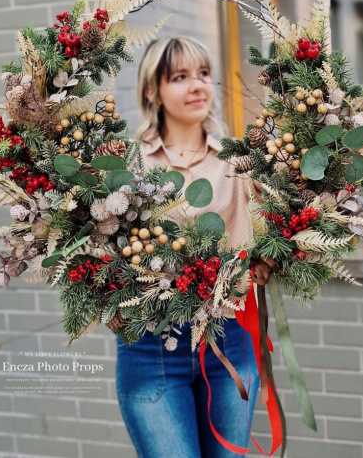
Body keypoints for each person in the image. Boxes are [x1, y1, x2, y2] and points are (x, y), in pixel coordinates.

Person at [115, 36, 262, 458]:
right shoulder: (127, 167)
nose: (197, 86)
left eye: (203, 75)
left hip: (228, 342)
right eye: (180, 77)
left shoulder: (239, 161)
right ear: (151, 91)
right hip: (151, 347)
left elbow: (279, 224)